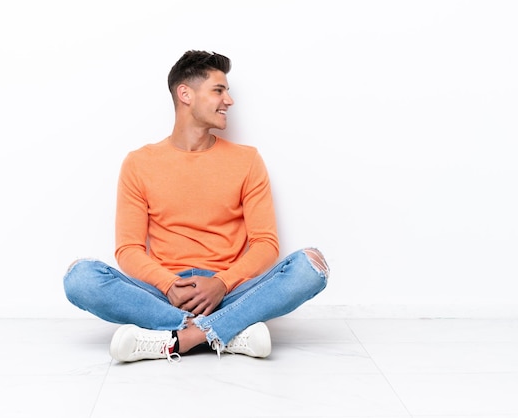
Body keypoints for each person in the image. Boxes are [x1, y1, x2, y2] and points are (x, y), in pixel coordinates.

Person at [63, 50, 329, 363]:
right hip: (165, 293)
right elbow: (128, 248)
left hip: (229, 292)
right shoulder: (139, 163)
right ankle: (227, 332)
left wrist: (221, 283)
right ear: (185, 94)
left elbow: (265, 244)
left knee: (312, 266)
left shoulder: (247, 160)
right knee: (79, 277)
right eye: (219, 90)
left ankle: (183, 338)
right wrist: (169, 285)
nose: (229, 100)